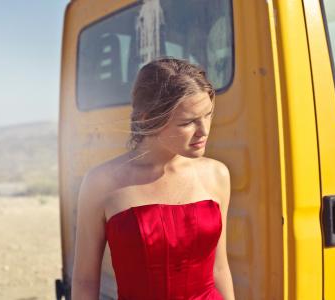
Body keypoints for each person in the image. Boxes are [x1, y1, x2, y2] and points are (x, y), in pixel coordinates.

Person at [72, 57, 235, 300]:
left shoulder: (216, 174)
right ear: (148, 118)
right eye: (188, 122)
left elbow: (219, 268)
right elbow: (85, 281)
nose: (204, 130)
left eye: (208, 115)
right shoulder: (101, 183)